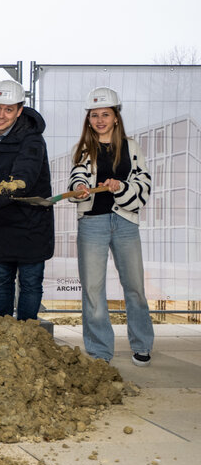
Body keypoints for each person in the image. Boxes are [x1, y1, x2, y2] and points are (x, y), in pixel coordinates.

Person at [67, 87, 154, 365]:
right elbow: (77, 176)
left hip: (125, 222)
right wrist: (80, 187)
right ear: (88, 119)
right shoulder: (82, 149)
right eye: (94, 115)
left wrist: (121, 186)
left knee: (135, 287)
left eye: (106, 114)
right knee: (93, 289)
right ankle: (99, 350)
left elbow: (144, 187)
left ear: (116, 117)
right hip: (92, 224)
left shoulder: (132, 148)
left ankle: (142, 343)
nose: (100, 120)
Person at [0, 78, 53, 322]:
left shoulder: (32, 139)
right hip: (2, 222)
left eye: (8, 109)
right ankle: (2, 334)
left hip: (31, 222)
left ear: (19, 111)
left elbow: (21, 181)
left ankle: (26, 336)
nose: (1, 115)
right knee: (2, 278)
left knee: (29, 281)